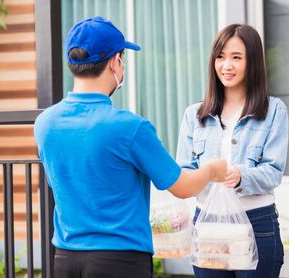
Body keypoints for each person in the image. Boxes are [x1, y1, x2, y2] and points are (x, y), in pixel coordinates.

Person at [34, 16, 227, 278]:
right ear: (116, 62)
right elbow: (182, 186)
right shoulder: (130, 127)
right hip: (120, 261)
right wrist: (212, 170)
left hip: (65, 259)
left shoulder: (45, 123)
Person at [176, 24, 288, 277]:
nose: (226, 66)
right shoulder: (194, 115)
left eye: (236, 57)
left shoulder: (273, 111)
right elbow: (184, 171)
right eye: (220, 57)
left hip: (256, 223)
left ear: (253, 62)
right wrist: (204, 175)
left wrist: (241, 177)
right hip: (208, 223)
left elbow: (274, 171)